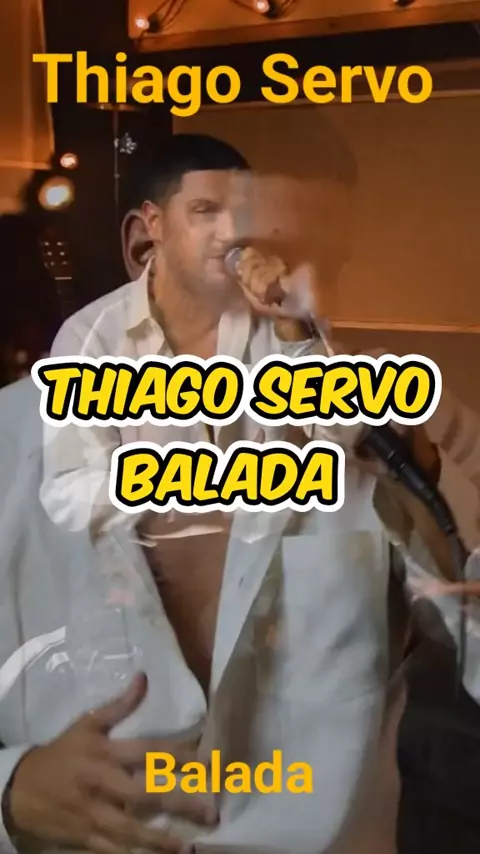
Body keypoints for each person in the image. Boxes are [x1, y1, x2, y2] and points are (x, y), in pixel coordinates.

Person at [0, 133, 479, 854]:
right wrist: (12, 789)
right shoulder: (16, 443)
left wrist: (439, 487)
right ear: (144, 239)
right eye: (209, 213)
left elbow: (466, 634)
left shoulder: (379, 426)